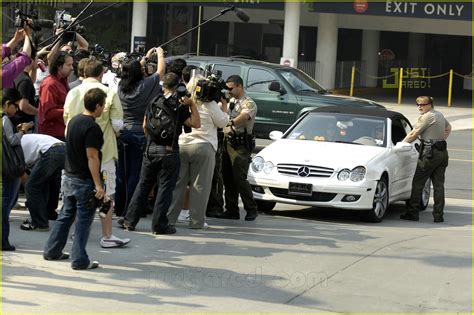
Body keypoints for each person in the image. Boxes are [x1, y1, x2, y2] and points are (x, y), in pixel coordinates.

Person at [118, 72, 200, 234]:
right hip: (169, 151)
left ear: (164, 86)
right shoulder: (178, 105)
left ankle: (129, 220)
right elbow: (195, 123)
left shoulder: (153, 101)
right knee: (165, 188)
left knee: (143, 185)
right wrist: (192, 105)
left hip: (151, 149)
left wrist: (152, 142)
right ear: (177, 87)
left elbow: (144, 126)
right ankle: (159, 225)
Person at [64, 58, 130, 248]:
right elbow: (118, 125)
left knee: (76, 195)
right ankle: (107, 236)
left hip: (75, 153)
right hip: (103, 152)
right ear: (101, 73)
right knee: (106, 193)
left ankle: (76, 233)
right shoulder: (109, 92)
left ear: (83, 73)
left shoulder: (72, 92)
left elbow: (67, 122)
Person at [43, 88, 106, 270]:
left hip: (69, 176)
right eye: (103, 105)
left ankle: (52, 250)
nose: (103, 109)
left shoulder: (74, 121)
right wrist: (98, 185)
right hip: (83, 180)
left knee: (65, 215)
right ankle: (79, 260)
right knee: (83, 221)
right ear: (97, 106)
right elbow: (92, 157)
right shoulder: (92, 128)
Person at [167, 75, 229, 229]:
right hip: (204, 146)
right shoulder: (210, 104)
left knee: (178, 185)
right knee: (200, 186)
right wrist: (224, 106)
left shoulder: (183, 101)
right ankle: (196, 221)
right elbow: (222, 122)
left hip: (182, 144)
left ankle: (169, 219)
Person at [114, 47, 165, 217]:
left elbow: (131, 70)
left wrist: (144, 58)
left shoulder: (121, 86)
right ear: (140, 72)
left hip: (123, 132)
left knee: (122, 172)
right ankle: (131, 208)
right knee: (136, 173)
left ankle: (119, 207)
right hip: (140, 133)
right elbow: (160, 72)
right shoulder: (145, 86)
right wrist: (160, 54)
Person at [400, 96, 451, 223]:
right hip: (442, 152)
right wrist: (439, 141)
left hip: (429, 154)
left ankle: (413, 213)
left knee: (418, 183)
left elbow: (413, 134)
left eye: (423, 104)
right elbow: (448, 128)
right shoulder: (439, 114)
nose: (419, 107)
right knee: (439, 186)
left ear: (430, 104)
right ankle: (438, 216)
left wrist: (400, 145)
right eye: (417, 104)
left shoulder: (427, 117)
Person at [220, 75, 258, 221]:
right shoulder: (230, 100)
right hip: (227, 141)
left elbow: (244, 117)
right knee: (227, 177)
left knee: (240, 178)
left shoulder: (248, 103)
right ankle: (231, 209)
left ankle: (251, 208)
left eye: (231, 88)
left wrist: (229, 122)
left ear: (239, 87)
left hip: (240, 144)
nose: (228, 91)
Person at [2, 88, 34, 251]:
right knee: (6, 205)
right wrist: (22, 130)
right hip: (8, 167)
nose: (16, 109)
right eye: (15, 106)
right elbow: (12, 140)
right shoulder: (5, 119)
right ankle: (3, 241)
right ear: (8, 104)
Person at [20, 134, 65, 231]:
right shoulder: (21, 138)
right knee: (49, 183)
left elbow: (22, 176)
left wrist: (31, 199)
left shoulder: (12, 148)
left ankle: (40, 223)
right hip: (63, 148)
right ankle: (49, 213)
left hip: (50, 152)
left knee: (31, 187)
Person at [38, 51, 74, 140]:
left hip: (61, 131)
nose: (72, 68)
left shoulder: (62, 81)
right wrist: (70, 110)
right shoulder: (50, 84)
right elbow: (48, 113)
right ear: (59, 66)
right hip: (52, 135)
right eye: (68, 65)